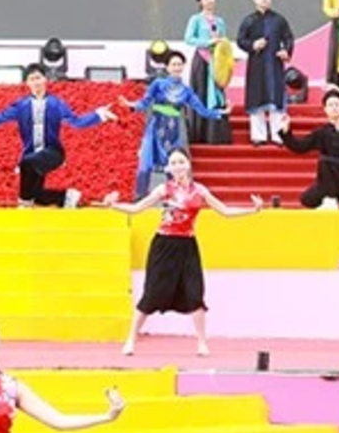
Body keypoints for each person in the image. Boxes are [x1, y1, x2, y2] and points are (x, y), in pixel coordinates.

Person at [102, 148, 256, 356]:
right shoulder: (163, 190)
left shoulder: (199, 191)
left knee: (195, 292)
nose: (178, 166)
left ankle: (202, 342)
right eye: (173, 163)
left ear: (188, 164)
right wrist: (113, 206)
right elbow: (137, 208)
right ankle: (131, 340)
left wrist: (253, 210)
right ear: (168, 168)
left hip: (187, 246)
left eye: (181, 162)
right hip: (163, 245)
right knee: (151, 293)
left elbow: (225, 211)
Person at [0, 66, 112, 208]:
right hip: (33, 156)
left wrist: (99, 114)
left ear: (45, 79)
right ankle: (67, 197)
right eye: (32, 79)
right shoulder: (20, 105)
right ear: (27, 83)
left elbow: (77, 122)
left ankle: (23, 203)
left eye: (38, 78)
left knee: (26, 163)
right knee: (36, 195)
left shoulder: (56, 103)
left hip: (53, 152)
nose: (36, 82)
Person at [119, 50, 224, 201]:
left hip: (173, 128)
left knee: (173, 164)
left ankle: (176, 197)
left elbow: (201, 110)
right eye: (173, 64)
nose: (176, 67)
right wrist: (130, 104)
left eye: (179, 64)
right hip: (156, 126)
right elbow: (144, 102)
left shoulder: (186, 90)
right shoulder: (158, 84)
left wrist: (220, 113)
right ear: (167, 67)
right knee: (146, 162)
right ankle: (140, 197)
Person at [236, 0, 296, 144]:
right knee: (256, 98)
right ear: (254, 0)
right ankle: (258, 136)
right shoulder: (249, 21)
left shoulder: (279, 20)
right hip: (256, 65)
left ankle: (278, 135)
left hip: (275, 64)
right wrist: (253, 45)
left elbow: (288, 38)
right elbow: (240, 40)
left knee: (276, 98)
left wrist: (286, 51)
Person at [182, 0, 234, 146]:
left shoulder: (220, 21)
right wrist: (208, 42)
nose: (210, 1)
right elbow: (189, 39)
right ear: (200, 2)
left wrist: (222, 44)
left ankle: (216, 135)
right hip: (202, 60)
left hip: (217, 62)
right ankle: (199, 133)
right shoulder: (196, 19)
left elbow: (224, 40)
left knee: (217, 94)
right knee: (201, 94)